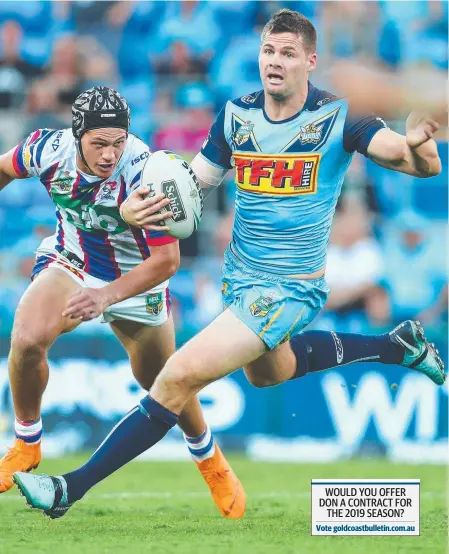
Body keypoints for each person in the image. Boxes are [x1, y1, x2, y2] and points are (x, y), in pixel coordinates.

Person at [14, 10, 445, 519]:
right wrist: (138, 205)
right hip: (241, 278)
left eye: (287, 53)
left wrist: (420, 149)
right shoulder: (236, 116)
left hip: (289, 288)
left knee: (176, 378)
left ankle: (69, 488)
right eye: (268, 51)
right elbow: (193, 186)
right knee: (271, 372)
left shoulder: (339, 117)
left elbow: (406, 157)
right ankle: (397, 347)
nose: (274, 62)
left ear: (310, 60)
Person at [0, 86, 245, 519]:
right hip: (72, 259)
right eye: (99, 143)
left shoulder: (147, 174)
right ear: (77, 136)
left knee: (163, 380)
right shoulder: (44, 149)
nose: (110, 154)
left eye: (117, 142)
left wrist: (104, 297)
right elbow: (5, 167)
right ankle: (26, 442)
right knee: (28, 336)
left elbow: (167, 262)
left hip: (138, 278)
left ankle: (209, 459)